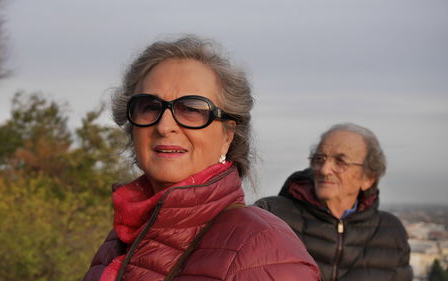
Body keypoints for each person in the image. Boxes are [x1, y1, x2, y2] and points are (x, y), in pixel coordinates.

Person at [82, 35, 320, 281]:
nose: (164, 126)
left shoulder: (264, 249)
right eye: (150, 106)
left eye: (192, 110)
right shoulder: (120, 239)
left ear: (227, 134)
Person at [255, 123, 413, 281]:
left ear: (368, 178)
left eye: (340, 161)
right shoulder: (270, 214)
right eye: (319, 158)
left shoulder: (391, 232)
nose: (324, 169)